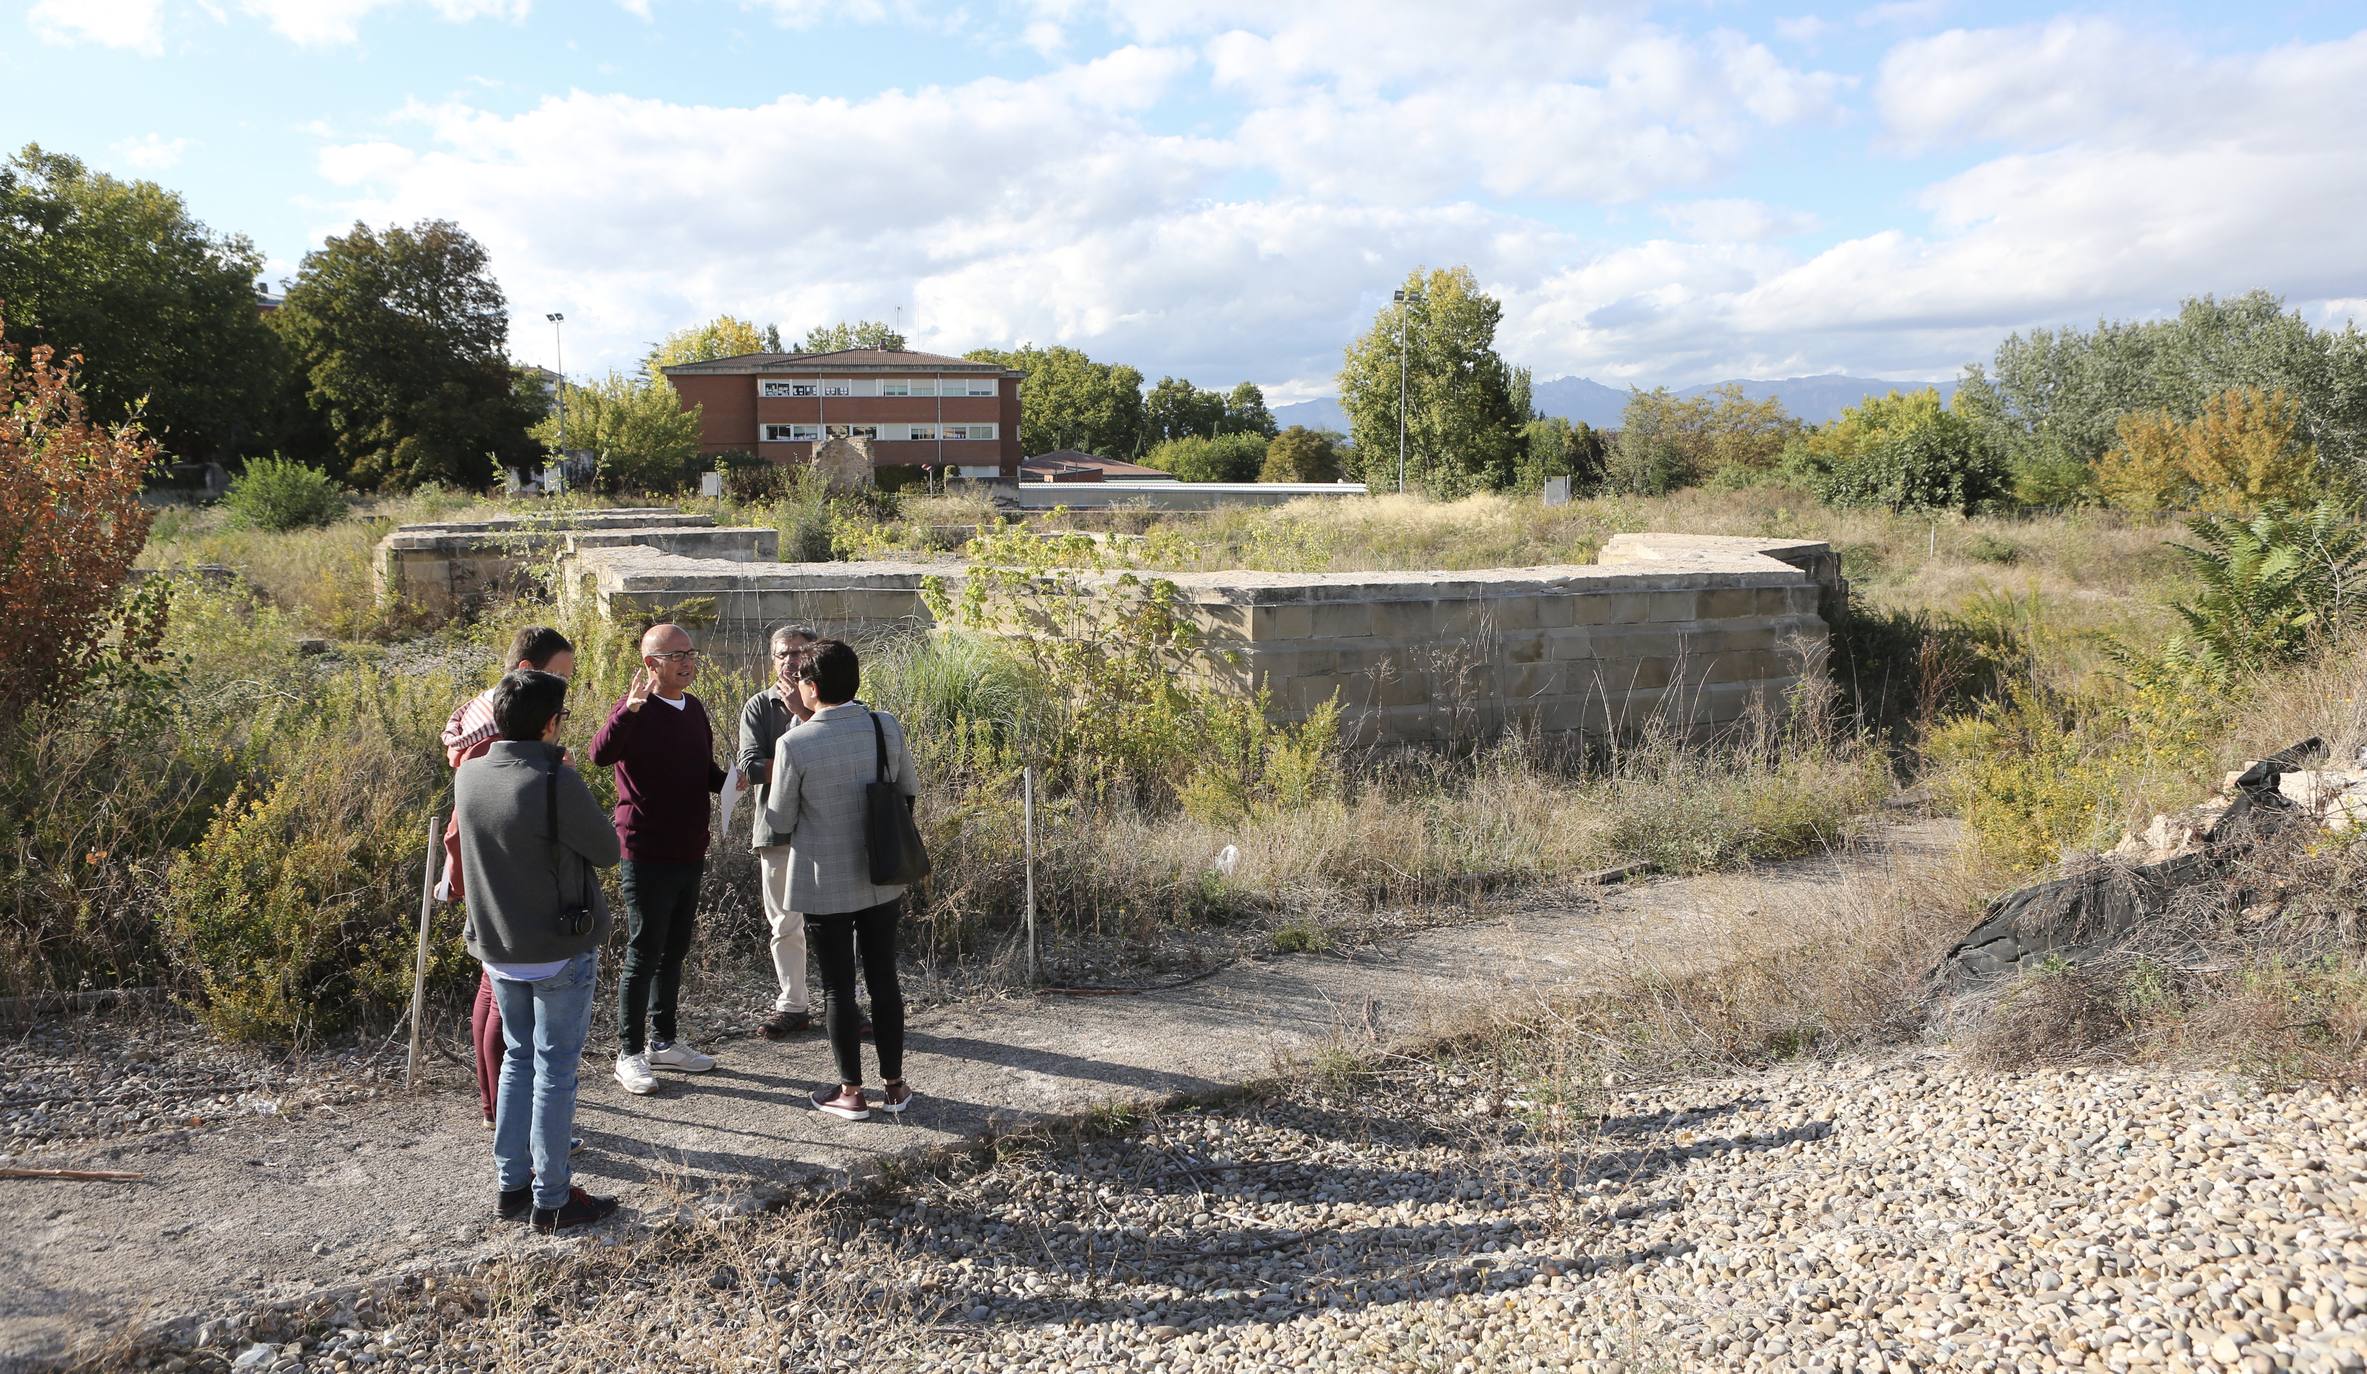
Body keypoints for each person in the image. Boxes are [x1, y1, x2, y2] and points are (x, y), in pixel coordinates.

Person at [455, 669, 620, 1232]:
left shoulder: (469, 776)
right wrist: (568, 780)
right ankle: (552, 1199)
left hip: (499, 946)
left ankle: (511, 1185)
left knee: (518, 1061)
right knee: (555, 1069)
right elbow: (607, 849)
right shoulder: (554, 781)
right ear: (551, 723)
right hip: (558, 946)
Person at [762, 639, 918, 1120]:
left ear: (810, 687)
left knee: (837, 988)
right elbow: (908, 791)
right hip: (882, 872)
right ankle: (894, 1086)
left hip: (822, 878)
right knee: (884, 978)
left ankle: (851, 1092)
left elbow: (780, 818)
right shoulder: (883, 725)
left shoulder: (795, 743)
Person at [440, 625, 575, 1128]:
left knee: (489, 989)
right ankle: (505, 1114)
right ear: (526, 671)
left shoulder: (483, 712)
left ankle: (494, 1106)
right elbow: (479, 810)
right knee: (503, 1003)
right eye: (558, 677)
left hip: (482, 870)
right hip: (503, 875)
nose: (564, 691)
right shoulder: (498, 735)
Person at [590, 622, 728, 1096]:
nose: (688, 662)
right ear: (651, 664)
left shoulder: (694, 708)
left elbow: (704, 770)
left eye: (691, 653)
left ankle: (663, 1040)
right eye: (676, 656)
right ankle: (628, 1053)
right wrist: (627, 711)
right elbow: (599, 754)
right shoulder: (636, 710)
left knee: (675, 950)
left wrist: (733, 781)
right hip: (646, 850)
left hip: (690, 847)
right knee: (644, 951)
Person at [737, 625, 818, 1038]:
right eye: (784, 653)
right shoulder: (758, 706)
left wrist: (803, 715)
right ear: (772, 659)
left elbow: (838, 752)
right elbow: (751, 767)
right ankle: (793, 1005)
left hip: (826, 828)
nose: (792, 660)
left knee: (837, 920)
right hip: (775, 829)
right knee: (785, 924)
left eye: (801, 652)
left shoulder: (831, 701)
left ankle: (846, 1003)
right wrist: (801, 753)